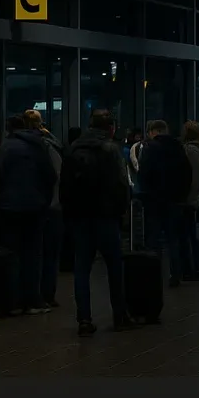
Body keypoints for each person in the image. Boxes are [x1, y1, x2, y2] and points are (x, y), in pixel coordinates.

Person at [60, 110, 134, 335]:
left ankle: (84, 319)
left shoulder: (73, 148)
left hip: (80, 217)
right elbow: (121, 184)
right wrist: (122, 212)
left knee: (82, 268)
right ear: (110, 127)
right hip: (106, 216)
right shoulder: (111, 149)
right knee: (114, 267)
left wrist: (69, 213)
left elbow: (65, 185)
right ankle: (120, 315)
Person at [0, 114, 56, 315]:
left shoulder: (4, 148)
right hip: (35, 207)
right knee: (34, 254)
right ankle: (33, 300)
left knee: (13, 253)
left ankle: (14, 301)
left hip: (9, 208)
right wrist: (44, 199)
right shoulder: (38, 145)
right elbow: (50, 175)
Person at [138, 120, 193, 287]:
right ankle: (175, 274)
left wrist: (146, 193)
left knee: (154, 240)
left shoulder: (150, 148)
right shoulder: (178, 148)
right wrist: (182, 195)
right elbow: (187, 173)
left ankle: (154, 277)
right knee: (172, 239)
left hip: (154, 201)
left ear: (154, 131)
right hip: (174, 200)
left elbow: (144, 173)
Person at [25, 110, 65, 308]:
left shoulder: (20, 145)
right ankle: (47, 293)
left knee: (32, 253)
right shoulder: (51, 143)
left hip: (31, 205)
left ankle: (32, 294)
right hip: (53, 205)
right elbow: (58, 175)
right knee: (50, 253)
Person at [180, 121, 199, 279]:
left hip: (187, 199)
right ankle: (194, 267)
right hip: (193, 198)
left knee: (187, 235)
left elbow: (193, 178)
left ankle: (191, 268)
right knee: (191, 234)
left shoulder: (189, 151)